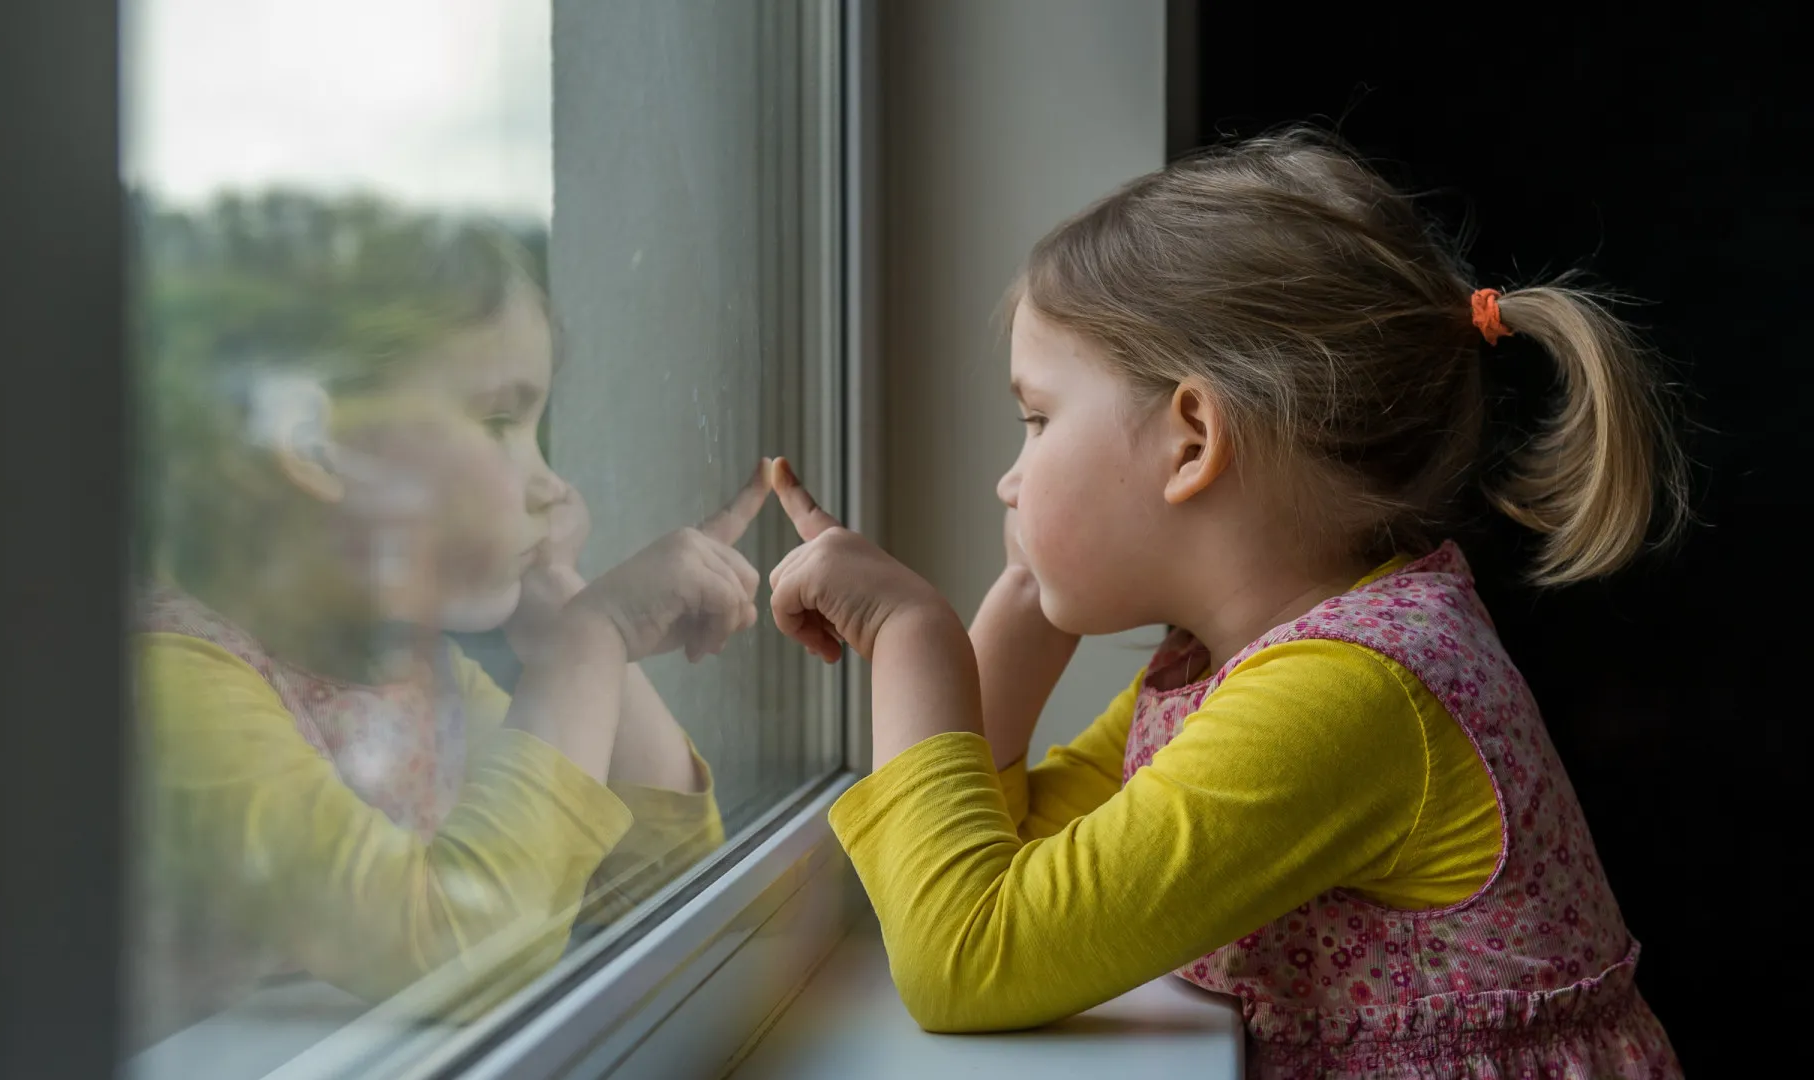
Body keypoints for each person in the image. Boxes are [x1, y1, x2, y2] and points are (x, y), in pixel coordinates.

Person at [764, 128, 1686, 1077]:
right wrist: (1024, 601)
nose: (1010, 479)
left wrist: (911, 637)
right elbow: (1016, 857)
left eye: (1037, 419)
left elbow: (965, 958)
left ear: (1192, 440)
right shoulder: (1233, 668)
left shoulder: (1345, 698)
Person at [130, 195, 765, 1046]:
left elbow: (665, 888)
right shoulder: (172, 686)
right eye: (500, 420)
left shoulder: (418, 681)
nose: (552, 485)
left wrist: (563, 603)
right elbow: (459, 952)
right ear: (318, 445)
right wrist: (593, 637)